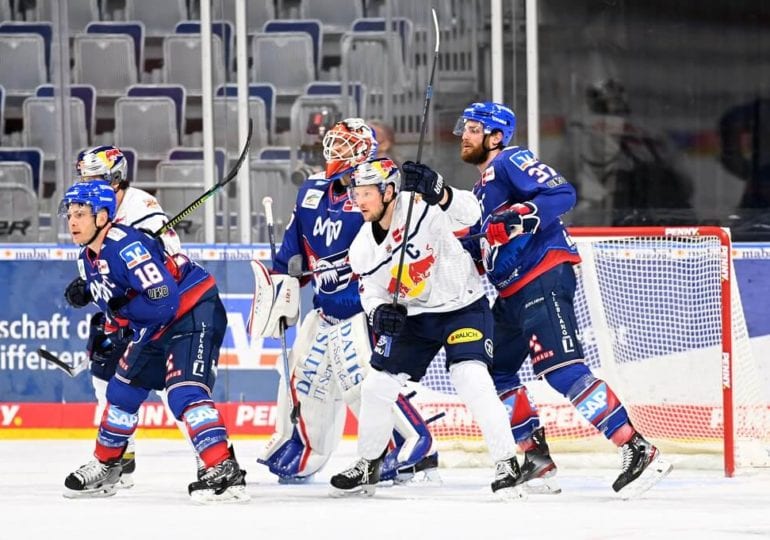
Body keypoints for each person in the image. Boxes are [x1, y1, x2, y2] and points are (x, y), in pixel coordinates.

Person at [454, 101, 673, 498]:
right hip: (509, 293)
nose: (463, 135)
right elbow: (481, 240)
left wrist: (523, 214)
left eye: (472, 128)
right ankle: (535, 459)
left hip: (541, 275)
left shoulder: (511, 160)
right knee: (491, 371)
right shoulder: (481, 187)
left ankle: (637, 448)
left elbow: (560, 192)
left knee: (562, 370)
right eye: (464, 128)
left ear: (495, 136)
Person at [249, 118, 439, 484]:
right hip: (326, 309)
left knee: (359, 382)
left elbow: (401, 248)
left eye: (346, 146)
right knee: (303, 376)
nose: (336, 153)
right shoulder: (311, 191)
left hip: (364, 309)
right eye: (333, 144)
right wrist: (282, 287)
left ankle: (414, 444)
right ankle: (307, 447)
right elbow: (293, 255)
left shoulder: (378, 193)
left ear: (365, 152)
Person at [328, 157, 525, 500]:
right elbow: (370, 291)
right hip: (414, 318)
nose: (358, 201)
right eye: (355, 193)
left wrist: (441, 192)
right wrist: (377, 313)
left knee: (471, 378)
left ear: (389, 191)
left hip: (461, 307)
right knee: (376, 386)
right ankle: (368, 462)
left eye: (365, 193)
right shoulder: (362, 247)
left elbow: (471, 213)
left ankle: (507, 462)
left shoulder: (420, 205)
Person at [59, 179, 248, 502]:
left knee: (184, 392)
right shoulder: (89, 257)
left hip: (192, 310)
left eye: (81, 213)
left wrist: (124, 313)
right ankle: (108, 465)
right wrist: (113, 322)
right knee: (121, 392)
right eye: (70, 214)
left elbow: (164, 298)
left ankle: (224, 469)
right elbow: (121, 302)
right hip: (157, 322)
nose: (73, 221)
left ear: (102, 217)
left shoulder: (125, 246)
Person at [61, 145, 200, 488]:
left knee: (172, 386)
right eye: (85, 178)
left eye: (96, 178)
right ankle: (120, 458)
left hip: (159, 311)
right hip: (124, 311)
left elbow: (169, 261)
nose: (88, 185)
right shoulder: (90, 209)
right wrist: (89, 287)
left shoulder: (142, 208)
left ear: (116, 178)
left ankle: (207, 457)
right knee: (105, 379)